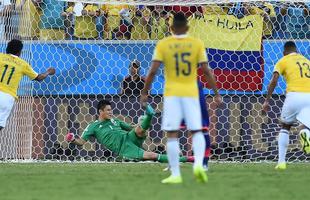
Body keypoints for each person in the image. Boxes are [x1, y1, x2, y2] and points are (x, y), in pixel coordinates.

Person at [141, 12, 221, 184]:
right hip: (191, 92)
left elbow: (153, 71)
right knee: (197, 130)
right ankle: (199, 164)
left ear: (170, 28)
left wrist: (145, 92)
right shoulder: (196, 43)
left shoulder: (164, 44)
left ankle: (176, 174)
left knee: (172, 134)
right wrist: (216, 93)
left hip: (172, 94)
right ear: (187, 27)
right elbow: (206, 71)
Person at [65, 99, 193, 163]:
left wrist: (140, 124)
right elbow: (81, 142)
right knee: (151, 155)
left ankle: (149, 115)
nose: (111, 112)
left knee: (139, 130)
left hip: (128, 137)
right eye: (108, 110)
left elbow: (132, 128)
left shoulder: (116, 121)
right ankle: (187, 159)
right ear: (100, 111)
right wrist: (72, 140)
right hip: (123, 148)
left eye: (111, 110)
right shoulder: (93, 126)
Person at [263, 41, 310, 170]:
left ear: (284, 52)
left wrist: (267, 100)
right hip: (309, 96)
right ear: (297, 51)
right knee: (305, 125)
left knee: (285, 126)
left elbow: (274, 80)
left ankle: (281, 162)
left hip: (294, 95)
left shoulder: (283, 60)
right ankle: (306, 134)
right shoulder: (306, 61)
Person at [0, 39, 56, 130]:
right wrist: (49, 71)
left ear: (7, 48)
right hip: (8, 97)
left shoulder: (0, 57)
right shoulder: (23, 64)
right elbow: (39, 78)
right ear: (19, 52)